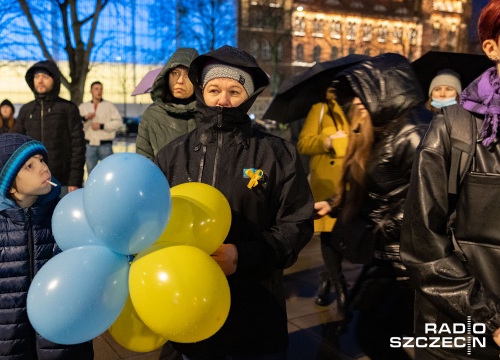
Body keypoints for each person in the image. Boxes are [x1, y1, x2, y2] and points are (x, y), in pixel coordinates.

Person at [155, 45, 314, 358]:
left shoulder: (278, 155)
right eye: (214, 89)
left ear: (249, 97)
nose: (222, 100)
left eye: (234, 91)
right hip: (187, 304)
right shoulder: (171, 155)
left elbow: (297, 222)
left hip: (255, 306)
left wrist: (243, 255)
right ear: (201, 92)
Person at [314, 53, 431, 359]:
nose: (356, 106)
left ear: (385, 91)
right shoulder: (387, 129)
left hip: (410, 263)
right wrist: (335, 205)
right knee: (375, 335)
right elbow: (382, 190)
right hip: (390, 256)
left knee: (377, 336)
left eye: (361, 97)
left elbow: (431, 202)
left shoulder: (414, 132)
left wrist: (382, 227)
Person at [400, 2, 500, 358]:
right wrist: (489, 320)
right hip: (465, 334)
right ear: (492, 47)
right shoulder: (451, 129)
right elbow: (422, 243)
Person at [0, 133, 93, 359]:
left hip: (65, 349)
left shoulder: (66, 220)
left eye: (41, 160)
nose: (42, 168)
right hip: (7, 351)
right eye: (29, 166)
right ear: (9, 186)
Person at [297, 87, 349, 311]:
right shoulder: (318, 109)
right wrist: (327, 141)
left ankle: (327, 279)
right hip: (326, 184)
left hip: (350, 180)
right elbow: (303, 143)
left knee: (345, 234)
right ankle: (340, 286)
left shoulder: (357, 108)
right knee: (329, 234)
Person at [13, 60, 85, 195]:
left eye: (45, 77)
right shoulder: (26, 110)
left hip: (61, 182)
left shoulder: (68, 109)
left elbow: (78, 147)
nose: (40, 81)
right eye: (36, 77)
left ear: (55, 80)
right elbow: (17, 146)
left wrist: (74, 180)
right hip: (32, 182)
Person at [136, 48, 199, 161]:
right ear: (166, 75)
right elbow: (143, 162)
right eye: (175, 73)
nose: (180, 80)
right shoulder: (152, 115)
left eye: (188, 74)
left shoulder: (210, 114)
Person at [78, 81, 122, 174]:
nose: (99, 91)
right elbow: (76, 123)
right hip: (89, 145)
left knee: (108, 172)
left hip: (105, 145)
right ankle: (93, 189)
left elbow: (118, 123)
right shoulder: (83, 107)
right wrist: (85, 118)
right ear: (91, 91)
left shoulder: (109, 106)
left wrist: (102, 126)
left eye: (101, 89)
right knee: (91, 173)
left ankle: (108, 189)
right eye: (96, 89)